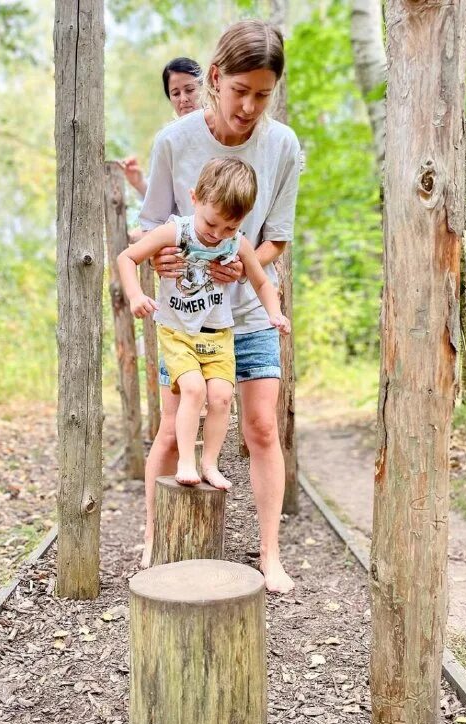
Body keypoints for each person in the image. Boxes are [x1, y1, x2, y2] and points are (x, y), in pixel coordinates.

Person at [139, 20, 301, 594]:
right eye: (240, 91)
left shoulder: (282, 146)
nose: (250, 106)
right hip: (186, 314)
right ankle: (156, 540)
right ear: (214, 79)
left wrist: (243, 262)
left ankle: (269, 554)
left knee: (260, 425)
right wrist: (163, 262)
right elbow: (151, 223)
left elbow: (277, 236)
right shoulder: (174, 142)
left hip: (250, 311)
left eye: (263, 94)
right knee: (170, 425)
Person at [118, 157, 290, 492]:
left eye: (229, 228)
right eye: (211, 225)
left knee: (223, 396)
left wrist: (275, 313)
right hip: (178, 333)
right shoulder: (176, 231)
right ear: (195, 198)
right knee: (194, 389)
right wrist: (136, 294)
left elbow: (262, 282)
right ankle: (186, 460)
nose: (217, 236)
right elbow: (128, 257)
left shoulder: (236, 242)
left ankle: (209, 463)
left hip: (218, 335)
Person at [120, 57, 202, 198]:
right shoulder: (167, 140)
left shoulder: (223, 130)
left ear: (204, 88)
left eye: (189, 90)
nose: (183, 99)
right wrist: (139, 182)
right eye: (176, 94)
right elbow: (159, 201)